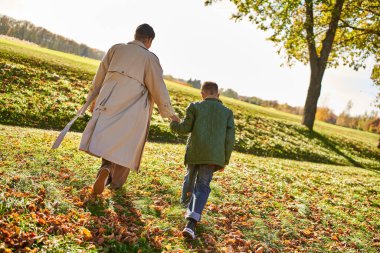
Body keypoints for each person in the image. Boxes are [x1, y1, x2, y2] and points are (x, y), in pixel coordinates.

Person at [77, 24, 179, 194]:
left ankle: (106, 168)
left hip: (109, 102)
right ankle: (115, 182)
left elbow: (99, 76)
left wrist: (92, 99)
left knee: (110, 141)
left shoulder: (116, 49)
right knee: (127, 146)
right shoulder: (149, 58)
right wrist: (170, 114)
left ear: (136, 35)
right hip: (134, 109)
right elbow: (158, 88)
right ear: (149, 40)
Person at [170, 81, 235, 240]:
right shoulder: (227, 112)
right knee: (203, 186)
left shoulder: (195, 106)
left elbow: (184, 128)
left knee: (189, 178)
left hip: (195, 153)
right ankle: (191, 222)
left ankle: (184, 206)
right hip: (213, 157)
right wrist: (224, 161)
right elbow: (230, 140)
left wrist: (174, 122)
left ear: (202, 94)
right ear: (218, 94)